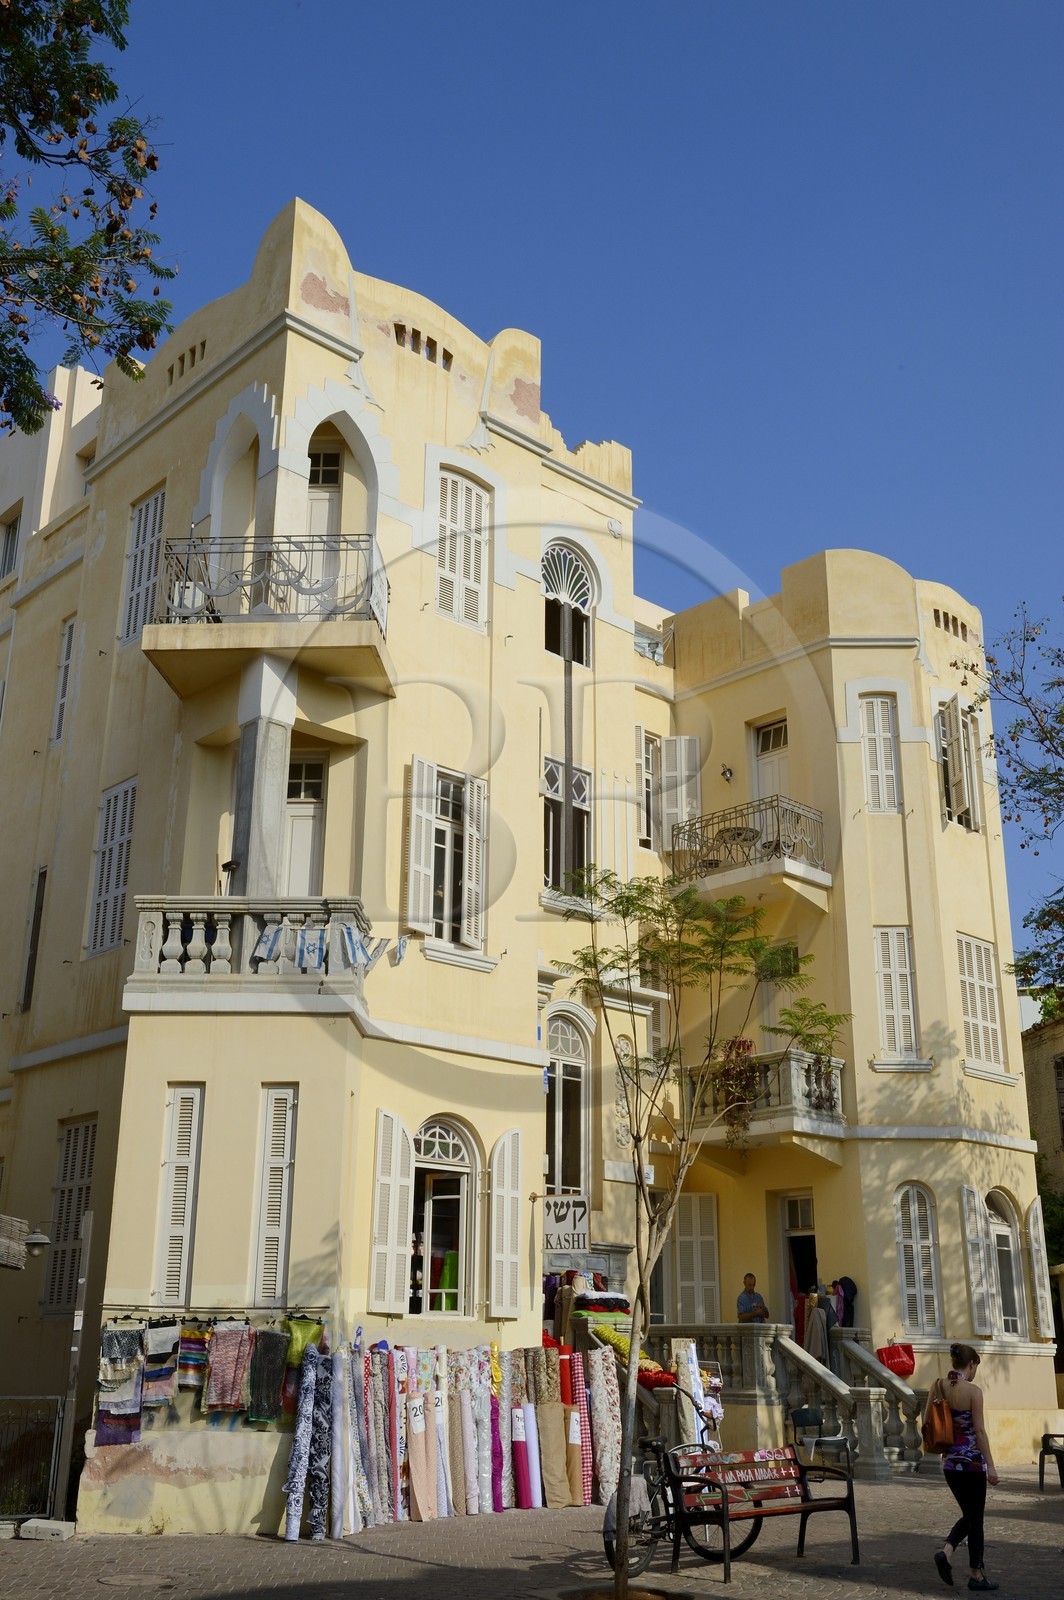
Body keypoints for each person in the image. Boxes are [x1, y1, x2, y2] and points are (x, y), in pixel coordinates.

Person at [930, 1342, 999, 1592]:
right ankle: (975, 1575)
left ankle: (948, 1553)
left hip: (950, 1464)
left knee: (970, 1516)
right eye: (975, 1367)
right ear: (971, 1364)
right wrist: (991, 1465)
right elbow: (979, 1431)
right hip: (972, 1465)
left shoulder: (938, 1386)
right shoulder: (973, 1392)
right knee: (975, 1519)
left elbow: (928, 1421)